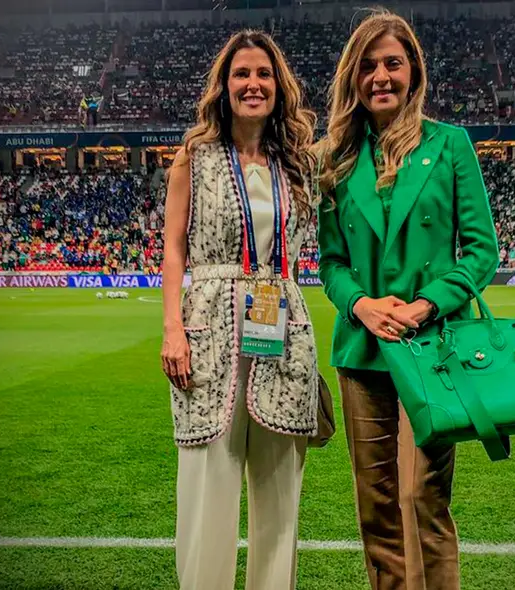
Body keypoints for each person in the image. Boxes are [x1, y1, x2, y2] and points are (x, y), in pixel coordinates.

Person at [316, 11, 498, 590]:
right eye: (368, 66)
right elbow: (330, 263)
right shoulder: (336, 159)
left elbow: (480, 250)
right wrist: (362, 305)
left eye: (392, 63)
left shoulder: (450, 145)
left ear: (413, 71)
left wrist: (425, 306)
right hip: (364, 351)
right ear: (354, 77)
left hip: (433, 348)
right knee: (377, 508)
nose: (380, 76)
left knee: (423, 497)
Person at [159, 30, 321, 590]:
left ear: (279, 86)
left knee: (281, 503)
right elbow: (173, 247)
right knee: (208, 489)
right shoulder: (194, 156)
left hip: (283, 330)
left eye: (263, 74)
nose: (253, 84)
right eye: (241, 74)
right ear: (224, 86)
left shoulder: (298, 163)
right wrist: (172, 328)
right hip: (208, 332)